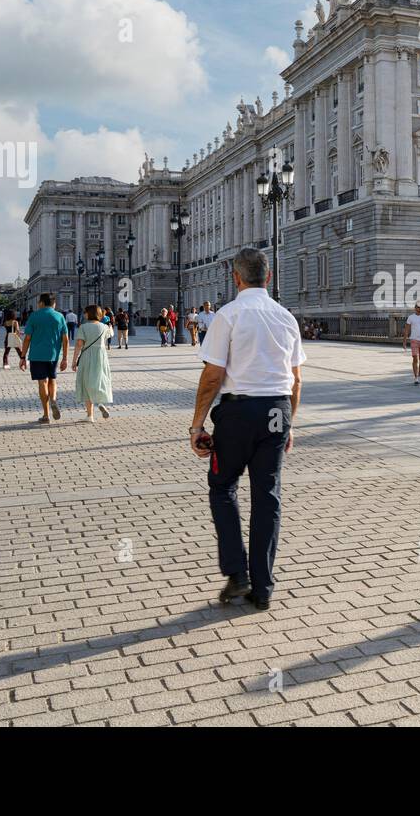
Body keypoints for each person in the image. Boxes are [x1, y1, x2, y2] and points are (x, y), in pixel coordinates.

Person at [190, 247, 304, 611]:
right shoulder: (286, 317)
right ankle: (264, 588)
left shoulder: (229, 315)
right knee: (267, 496)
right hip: (277, 410)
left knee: (223, 486)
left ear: (235, 278)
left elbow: (212, 375)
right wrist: (289, 426)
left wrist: (196, 425)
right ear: (267, 277)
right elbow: (297, 379)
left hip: (238, 412)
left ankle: (237, 573)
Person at [19, 292, 70, 424]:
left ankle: (46, 415)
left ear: (41, 303)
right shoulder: (59, 317)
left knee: (42, 382)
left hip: (36, 355)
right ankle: (53, 399)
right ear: (54, 304)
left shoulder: (34, 316)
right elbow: (65, 339)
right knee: (52, 380)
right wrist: (65, 358)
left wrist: (22, 356)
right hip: (53, 354)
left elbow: (27, 338)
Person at [72, 305, 114, 422]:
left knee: (86, 382)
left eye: (85, 312)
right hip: (101, 355)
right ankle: (100, 402)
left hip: (87, 355)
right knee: (100, 379)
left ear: (88, 314)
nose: (84, 314)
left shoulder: (83, 327)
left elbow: (79, 345)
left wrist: (74, 361)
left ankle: (90, 415)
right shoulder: (104, 327)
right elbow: (111, 334)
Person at [402, 302, 420, 385]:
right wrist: (404, 341)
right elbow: (407, 330)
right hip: (414, 340)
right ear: (415, 308)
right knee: (415, 357)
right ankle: (415, 377)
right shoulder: (411, 317)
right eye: (418, 307)